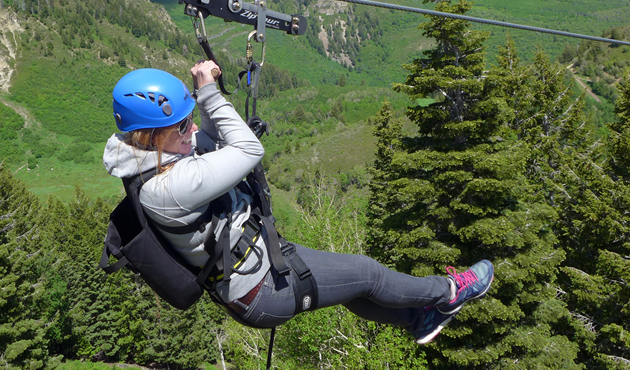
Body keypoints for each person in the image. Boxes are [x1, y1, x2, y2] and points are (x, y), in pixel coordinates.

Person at [103, 61, 493, 344]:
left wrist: (201, 105)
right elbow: (247, 149)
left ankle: (417, 320)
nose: (190, 128)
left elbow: (208, 139)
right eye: (180, 125)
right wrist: (208, 93)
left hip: (257, 264)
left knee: (352, 286)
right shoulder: (169, 187)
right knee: (367, 273)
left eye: (188, 118)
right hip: (260, 290)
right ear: (151, 136)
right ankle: (449, 292)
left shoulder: (154, 159)